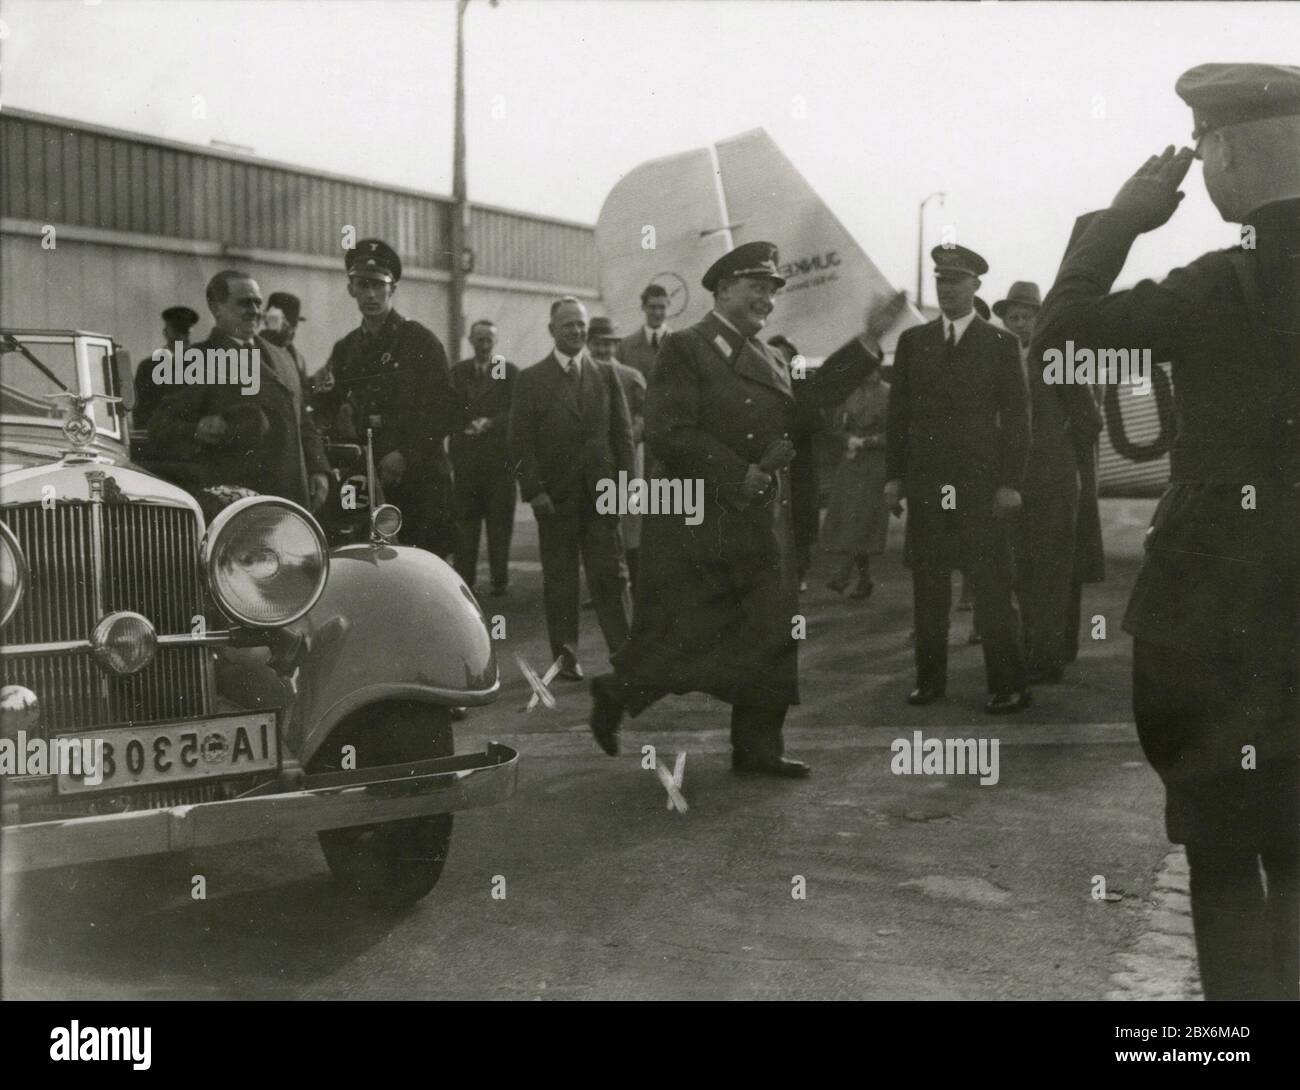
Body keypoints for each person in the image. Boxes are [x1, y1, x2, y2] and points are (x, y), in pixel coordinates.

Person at [1033, 62, 1300, 1001]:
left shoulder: (1217, 288)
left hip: (1218, 621)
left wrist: (1118, 222)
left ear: (1221, 156)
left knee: (1226, 852)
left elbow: (1062, 340)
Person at [588, 241, 907, 778]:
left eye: (772, 289)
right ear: (722, 289)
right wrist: (738, 473)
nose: (767, 299)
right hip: (705, 522)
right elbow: (669, 432)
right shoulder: (687, 348)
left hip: (761, 520)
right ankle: (615, 693)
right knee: (689, 634)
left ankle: (757, 747)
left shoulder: (774, 355)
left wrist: (870, 338)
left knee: (771, 631)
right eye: (757, 287)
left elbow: (812, 400)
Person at [885, 244, 1031, 714]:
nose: (946, 289)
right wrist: (894, 477)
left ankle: (1009, 685)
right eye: (940, 281)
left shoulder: (1000, 345)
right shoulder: (915, 343)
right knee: (928, 589)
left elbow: (1017, 419)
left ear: (975, 286)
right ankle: (930, 681)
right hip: (928, 489)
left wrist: (1010, 483)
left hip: (980, 488)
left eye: (956, 281)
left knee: (991, 589)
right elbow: (899, 415)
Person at [508, 297, 634, 681]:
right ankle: (566, 657)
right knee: (561, 581)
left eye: (581, 325)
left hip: (601, 497)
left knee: (609, 576)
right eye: (568, 326)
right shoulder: (531, 380)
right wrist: (535, 491)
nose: (577, 331)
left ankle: (625, 652)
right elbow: (520, 444)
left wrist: (625, 489)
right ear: (552, 331)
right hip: (555, 501)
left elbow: (622, 437)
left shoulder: (606, 375)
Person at [318, 239, 458, 557]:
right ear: (351, 288)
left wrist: (405, 453)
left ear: (392, 288)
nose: (370, 294)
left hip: (421, 481)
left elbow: (446, 409)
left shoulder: (419, 341)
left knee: (423, 575)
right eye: (362, 285)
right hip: (370, 484)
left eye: (378, 286)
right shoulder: (347, 349)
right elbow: (325, 403)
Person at [150, 271, 329, 511]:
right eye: (245, 303)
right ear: (216, 308)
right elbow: (160, 426)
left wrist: (319, 469)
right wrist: (198, 430)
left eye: (258, 303)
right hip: (238, 507)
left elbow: (303, 423)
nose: (255, 310)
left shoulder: (282, 356)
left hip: (291, 499)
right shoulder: (195, 360)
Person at [995, 280, 1079, 683]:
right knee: (1022, 571)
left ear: (1040, 318)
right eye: (1012, 317)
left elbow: (1088, 419)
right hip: (1014, 485)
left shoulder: (1058, 357)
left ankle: (1048, 657)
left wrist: (1056, 455)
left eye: (1027, 316)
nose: (1019, 324)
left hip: (1053, 481)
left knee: (1050, 571)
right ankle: (1034, 648)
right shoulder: (1000, 360)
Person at [450, 319, 518, 596]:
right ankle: (465, 579)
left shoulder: (506, 370)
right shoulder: (459, 371)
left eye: (489, 339)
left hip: (498, 462)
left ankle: (499, 580)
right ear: (470, 340)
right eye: (479, 339)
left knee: (499, 523)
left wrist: (490, 423)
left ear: (496, 342)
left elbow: (516, 410)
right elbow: (449, 406)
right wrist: (464, 424)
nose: (484, 345)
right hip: (466, 461)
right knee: (465, 523)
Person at [821, 357, 890, 598]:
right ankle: (863, 578)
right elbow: (836, 426)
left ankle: (844, 574)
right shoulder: (850, 393)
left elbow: (896, 432)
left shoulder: (889, 393)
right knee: (851, 521)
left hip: (875, 464)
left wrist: (870, 441)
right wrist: (847, 438)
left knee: (863, 521)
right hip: (851, 463)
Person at [589, 315, 647, 589]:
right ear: (589, 345)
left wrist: (625, 438)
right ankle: (605, 586)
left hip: (627, 460)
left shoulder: (631, 376)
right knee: (600, 527)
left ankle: (636, 585)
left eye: (608, 345)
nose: (603, 351)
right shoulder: (582, 376)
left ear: (615, 347)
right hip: (595, 465)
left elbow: (644, 417)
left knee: (630, 525)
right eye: (597, 345)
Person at [768, 334, 824, 593]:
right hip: (771, 460)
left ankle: (800, 570)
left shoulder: (803, 384)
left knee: (799, 519)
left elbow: (814, 420)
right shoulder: (764, 382)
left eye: (785, 355)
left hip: (799, 462)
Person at [134, 305, 199, 430]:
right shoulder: (148, 367)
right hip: (158, 436)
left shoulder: (199, 366)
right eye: (176, 331)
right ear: (165, 332)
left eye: (184, 331)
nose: (180, 337)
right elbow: (140, 411)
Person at [618, 283, 671, 383]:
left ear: (668, 307)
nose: (657, 313)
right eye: (652, 307)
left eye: (662, 307)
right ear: (643, 307)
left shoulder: (681, 344)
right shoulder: (625, 346)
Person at [261, 291, 310, 387]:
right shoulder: (256, 349)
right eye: (286, 324)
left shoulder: (298, 358)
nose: (292, 331)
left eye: (294, 325)